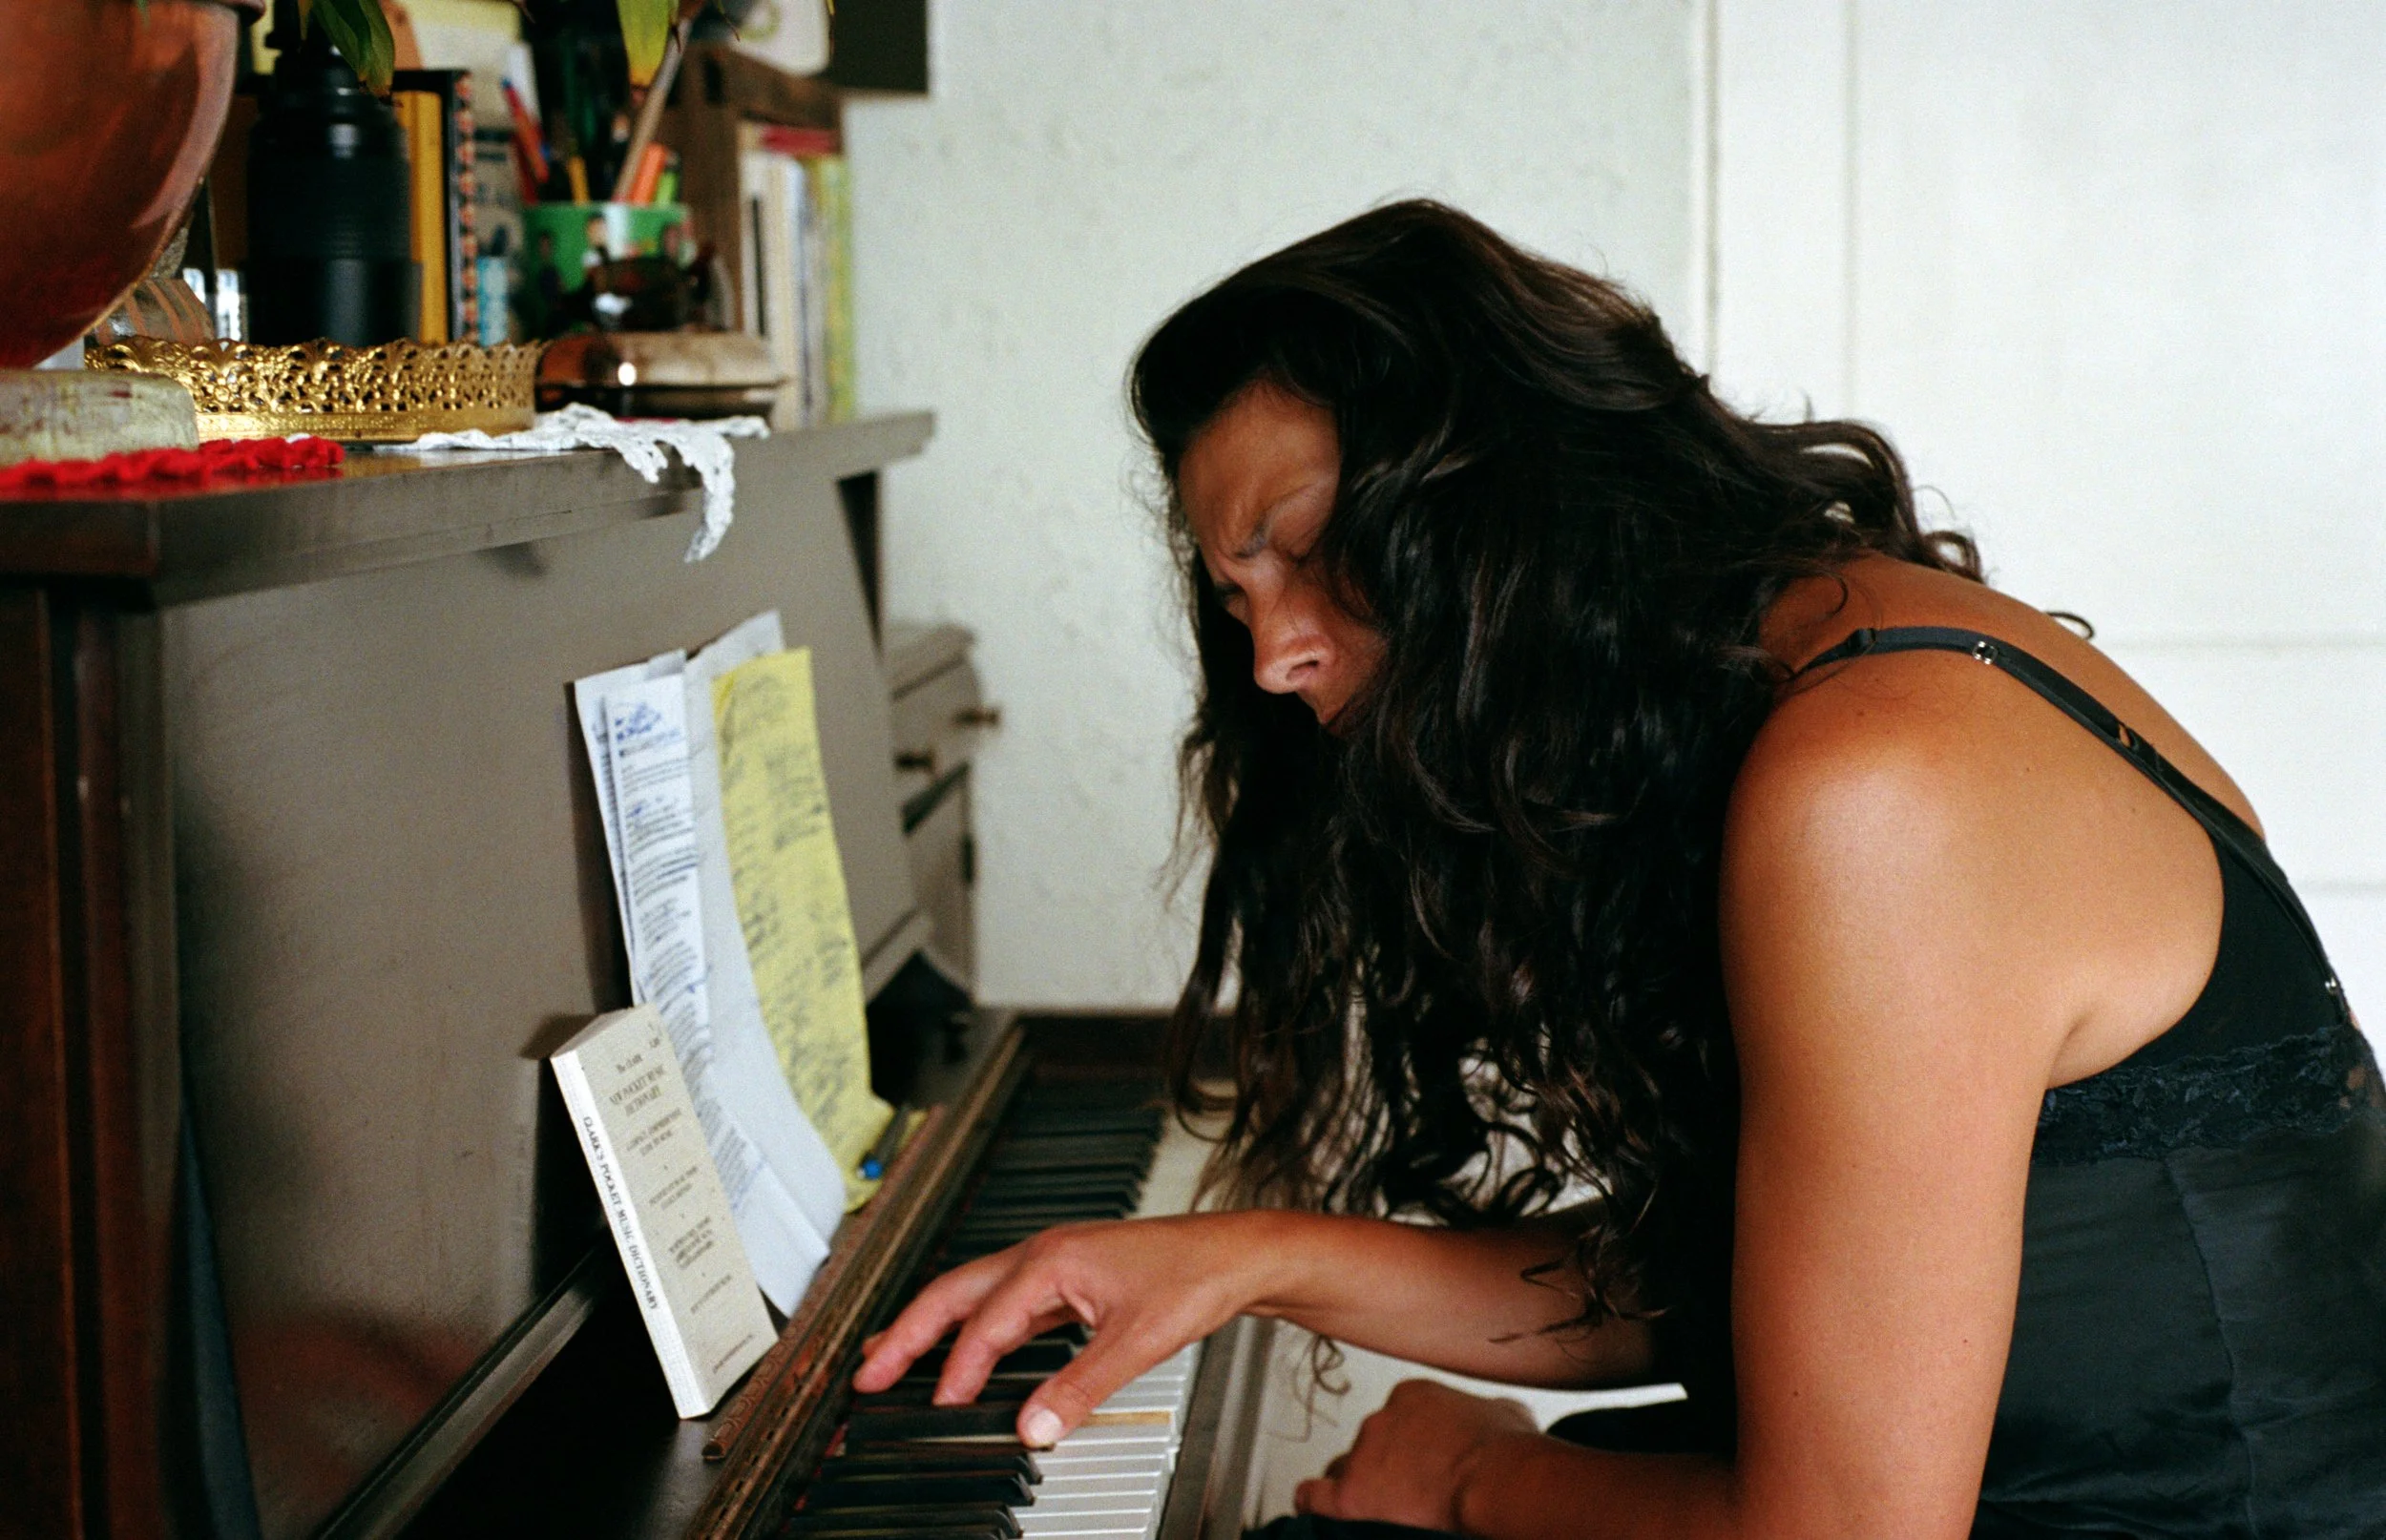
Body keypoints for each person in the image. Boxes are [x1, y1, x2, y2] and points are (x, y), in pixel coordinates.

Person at [854, 201, 2386, 1537]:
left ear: (1508, 501)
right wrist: (1245, 1257)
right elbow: (1783, 1289)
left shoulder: (1880, 793)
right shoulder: (1822, 653)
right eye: (1233, 588)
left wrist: (1476, 1477)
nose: (1271, 655)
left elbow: (1837, 1529)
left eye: (1309, 546)